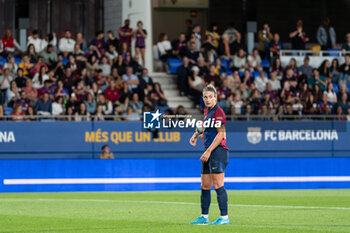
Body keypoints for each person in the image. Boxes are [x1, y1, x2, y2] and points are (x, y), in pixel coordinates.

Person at [189, 84, 230, 225]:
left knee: (218, 184)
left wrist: (208, 151)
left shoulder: (219, 112)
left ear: (216, 97)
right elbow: (204, 127)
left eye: (210, 97)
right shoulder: (207, 111)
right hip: (209, 151)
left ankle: (224, 218)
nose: (208, 99)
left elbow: (220, 135)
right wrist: (195, 135)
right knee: (205, 185)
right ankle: (204, 217)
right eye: (205, 97)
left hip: (217, 151)